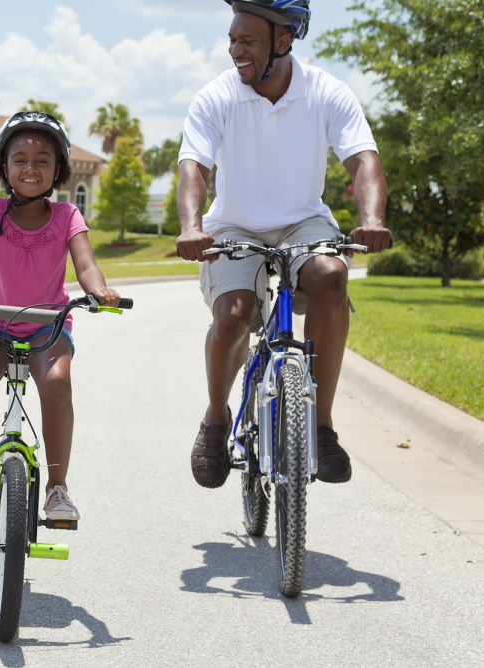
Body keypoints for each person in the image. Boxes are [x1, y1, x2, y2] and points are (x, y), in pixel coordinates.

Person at [175, 0, 391, 489]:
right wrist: (192, 227)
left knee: (332, 277)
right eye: (231, 40)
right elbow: (195, 168)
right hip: (234, 226)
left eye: (247, 41)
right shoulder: (216, 96)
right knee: (232, 313)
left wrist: (372, 218)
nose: (235, 51)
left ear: (283, 41)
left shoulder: (326, 92)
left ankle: (323, 427)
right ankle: (214, 420)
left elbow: (363, 161)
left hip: (303, 224)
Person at [0, 111, 120, 520]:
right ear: (4, 167)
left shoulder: (68, 217)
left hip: (48, 329)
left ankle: (57, 488)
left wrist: (98, 290)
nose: (31, 167)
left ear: (59, 170)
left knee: (58, 383)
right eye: (20, 159)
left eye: (42, 160)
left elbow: (85, 265)